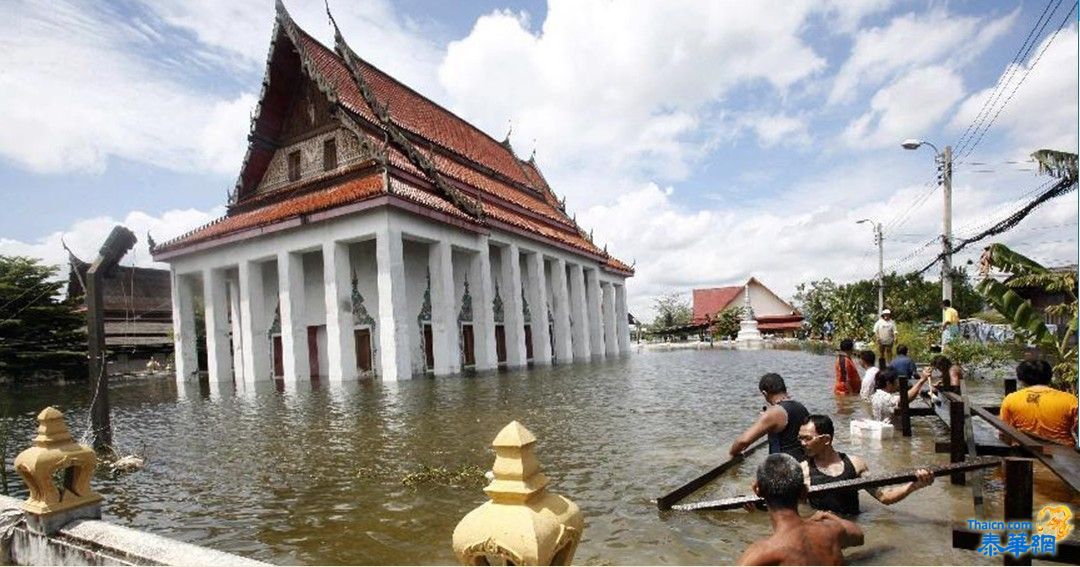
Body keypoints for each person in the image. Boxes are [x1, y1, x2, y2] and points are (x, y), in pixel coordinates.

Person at [738, 453, 864, 566]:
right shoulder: (832, 530)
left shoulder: (760, 554)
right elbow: (859, 536)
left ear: (757, 489)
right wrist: (828, 516)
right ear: (804, 492)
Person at [798, 415, 934, 516]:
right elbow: (800, 511)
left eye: (807, 438)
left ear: (826, 439)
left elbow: (884, 497)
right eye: (800, 438)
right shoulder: (802, 471)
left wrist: (914, 485)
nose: (803, 443)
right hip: (824, 531)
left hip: (853, 528)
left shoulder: (856, 464)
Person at [730, 373, 810, 461]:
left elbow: (743, 441)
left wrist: (733, 453)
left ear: (764, 393)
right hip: (802, 462)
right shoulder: (801, 407)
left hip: (783, 466)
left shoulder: (774, 412)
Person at [999, 360, 1078, 446]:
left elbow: (1004, 434)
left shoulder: (1011, 399)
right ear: (1050, 376)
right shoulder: (1070, 400)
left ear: (1021, 378)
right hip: (1065, 455)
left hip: (1025, 451)